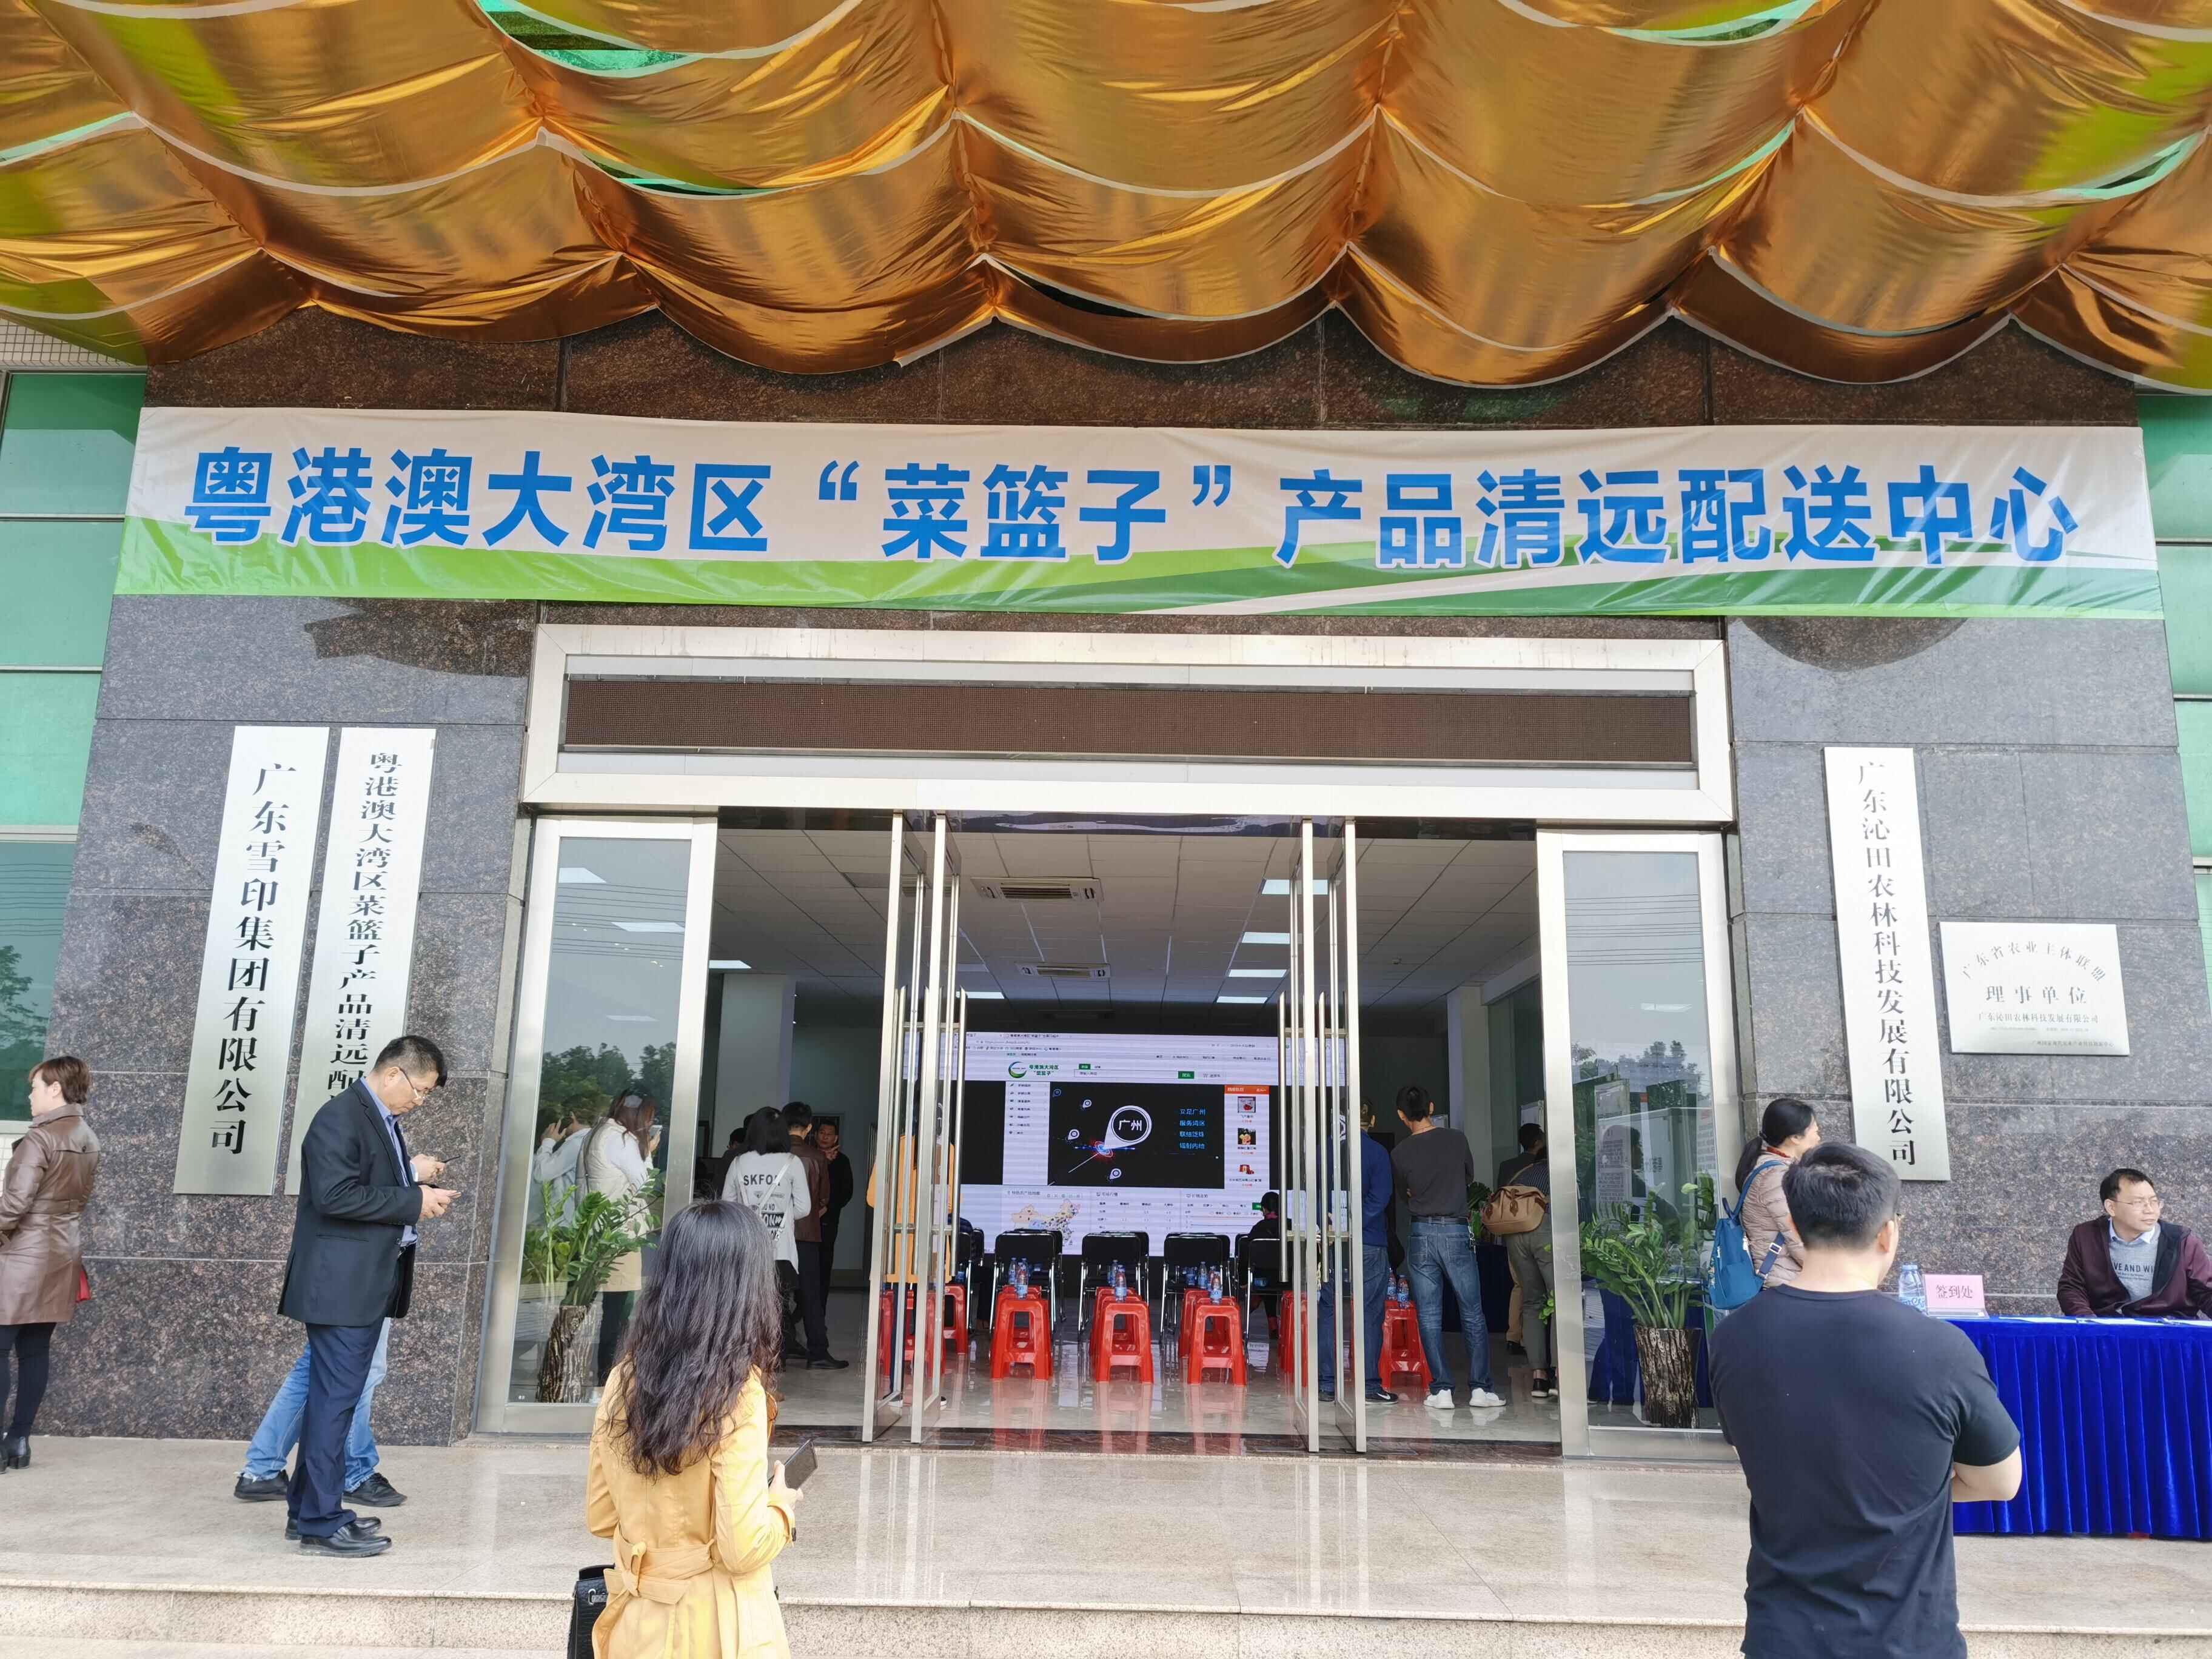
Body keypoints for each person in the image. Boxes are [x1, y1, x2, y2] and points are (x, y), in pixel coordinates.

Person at [1709, 1142, 2020, 1659]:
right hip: (1906, 1640)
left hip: (1782, 1636)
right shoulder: (1941, 1348)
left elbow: (1759, 1454)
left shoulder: (1733, 1339)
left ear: (1797, 1226)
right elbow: (2000, 1482)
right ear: (1887, 1233)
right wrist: (1910, 1495)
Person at [586, 1200, 799, 1659]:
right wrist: (781, 1505)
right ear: (749, 1287)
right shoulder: (738, 1393)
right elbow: (743, 1548)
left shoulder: (622, 1379)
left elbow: (601, 1516)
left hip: (635, 1627)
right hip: (718, 1628)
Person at [278, 1035, 457, 1556]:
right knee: (335, 1404)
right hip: (341, 1286)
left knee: (331, 1402)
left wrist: (414, 1187)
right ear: (394, 1073)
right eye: (420, 1090)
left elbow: (370, 1185)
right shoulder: (341, 1117)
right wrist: (413, 1201)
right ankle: (321, 1521)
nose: (420, 1101)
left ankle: (306, 1512)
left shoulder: (377, 1119)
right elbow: (335, 1196)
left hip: (358, 1284)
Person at [0, 1056, 101, 1471]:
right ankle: (19, 1442)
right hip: (61, 1253)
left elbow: (14, 1205)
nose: (30, 1096)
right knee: (35, 1351)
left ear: (55, 1089)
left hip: (21, 1256)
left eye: (36, 1087)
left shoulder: (40, 1138)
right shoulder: (88, 1137)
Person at [1390, 1084, 1501, 1410]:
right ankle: (1480, 1389)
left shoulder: (1399, 1153)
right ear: (1431, 1107)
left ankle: (1441, 1390)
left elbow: (1405, 1193)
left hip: (1421, 1233)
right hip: (1455, 1230)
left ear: (1401, 1116)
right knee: (1472, 1311)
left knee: (1429, 1315)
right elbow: (1467, 1177)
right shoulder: (1456, 1140)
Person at [233, 1321, 399, 1508]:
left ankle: (262, 1470)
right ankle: (356, 1474)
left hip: (332, 1303)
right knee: (359, 1364)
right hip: (358, 1304)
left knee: (317, 1363)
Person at [1316, 1111, 1398, 1404]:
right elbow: (1381, 1196)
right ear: (1372, 1120)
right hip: (1369, 1241)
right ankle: (1368, 1385)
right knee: (1370, 1312)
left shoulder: (1324, 1149)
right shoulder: (1377, 1152)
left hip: (1333, 1241)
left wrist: (1331, 1225)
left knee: (1329, 1308)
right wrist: (1355, 1223)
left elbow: (1313, 1194)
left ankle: (1327, 1384)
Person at [2057, 1168, 2212, 1319]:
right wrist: (2090, 1324)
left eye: (2154, 1202)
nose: (2150, 1210)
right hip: (2107, 1329)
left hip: (2168, 1330)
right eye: (2139, 1203)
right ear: (2111, 1207)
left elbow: (2207, 1292)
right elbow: (2072, 1288)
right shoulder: (2087, 1236)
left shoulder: (2181, 1241)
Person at [583, 1091, 660, 1387]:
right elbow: (646, 1182)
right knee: (619, 1311)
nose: (650, 1123)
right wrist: (648, 1151)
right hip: (620, 1233)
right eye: (649, 1117)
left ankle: (606, 1375)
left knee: (612, 1309)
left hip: (602, 1230)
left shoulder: (599, 1133)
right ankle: (610, 1378)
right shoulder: (622, 1140)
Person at [723, 1109, 809, 1358]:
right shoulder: (792, 1163)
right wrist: (782, 1216)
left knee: (745, 1308)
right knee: (778, 1308)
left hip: (746, 1250)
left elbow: (727, 1204)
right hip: (781, 1251)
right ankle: (774, 1363)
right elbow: (804, 1208)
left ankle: (745, 1361)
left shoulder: (739, 1163)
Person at [1732, 1096, 1821, 1290]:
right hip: (1784, 1282)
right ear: (1795, 1138)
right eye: (1815, 1131)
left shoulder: (1768, 1166)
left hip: (1783, 1278)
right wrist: (1833, 1272)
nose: (1818, 1138)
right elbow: (1797, 1237)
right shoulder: (1776, 1176)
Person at [781, 1102, 843, 1370]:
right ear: (809, 1128)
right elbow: (824, 1197)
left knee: (776, 1293)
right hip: (807, 1234)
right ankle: (818, 1351)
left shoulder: (773, 1154)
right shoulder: (817, 1157)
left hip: (777, 1235)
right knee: (811, 1294)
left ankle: (779, 1349)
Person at [1499, 1142, 1557, 1400]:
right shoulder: (1560, 1173)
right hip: (1546, 1231)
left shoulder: (1521, 1174)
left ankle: (1539, 1378)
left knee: (1533, 1302)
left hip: (1516, 1236)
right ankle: (1561, 1373)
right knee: (1559, 1300)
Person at [528, 1110, 591, 1227]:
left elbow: (541, 1174)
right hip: (571, 1218)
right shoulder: (589, 1140)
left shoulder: (577, 1143)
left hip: (564, 1221)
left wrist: (548, 1142)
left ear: (571, 1116)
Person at [1241, 1190, 1285, 1333]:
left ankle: (1258, 1301)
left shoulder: (1258, 1228)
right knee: (1274, 1276)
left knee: (1267, 1277)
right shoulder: (1291, 1226)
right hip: (1288, 1281)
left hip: (1262, 1281)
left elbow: (1245, 1254)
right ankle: (1273, 1325)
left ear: (1265, 1209)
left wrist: (1243, 1281)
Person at [816, 1119, 855, 1276]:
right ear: (816, 1134)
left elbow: (846, 1192)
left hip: (829, 1218)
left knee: (824, 1259)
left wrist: (827, 1208)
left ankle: (821, 1293)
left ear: (836, 1138)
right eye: (822, 1133)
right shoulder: (808, 1156)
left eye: (829, 1134)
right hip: (804, 1217)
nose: (825, 1137)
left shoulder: (842, 1161)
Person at [1496, 1122, 1545, 1190]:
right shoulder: (1543, 1166)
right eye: (1545, 1140)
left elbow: (1502, 1193)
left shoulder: (1505, 1166)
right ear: (1537, 1143)